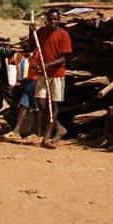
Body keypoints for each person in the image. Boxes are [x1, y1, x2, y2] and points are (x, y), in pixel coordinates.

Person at [34, 9, 73, 149]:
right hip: (43, 74)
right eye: (51, 19)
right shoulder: (41, 32)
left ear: (59, 19)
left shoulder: (64, 35)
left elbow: (65, 57)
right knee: (41, 104)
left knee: (54, 106)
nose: (53, 22)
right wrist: (30, 31)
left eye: (55, 19)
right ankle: (59, 128)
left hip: (57, 74)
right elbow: (31, 47)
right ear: (47, 19)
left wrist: (49, 64)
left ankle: (46, 138)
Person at [4, 39, 41, 140]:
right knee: (23, 105)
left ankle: (38, 133)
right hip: (27, 82)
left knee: (37, 108)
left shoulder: (39, 53)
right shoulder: (23, 56)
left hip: (36, 82)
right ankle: (16, 131)